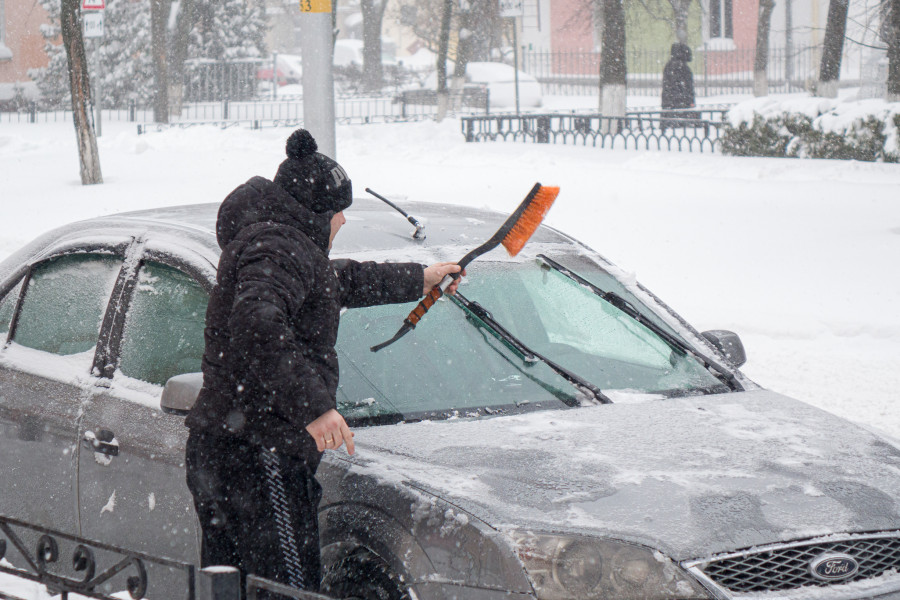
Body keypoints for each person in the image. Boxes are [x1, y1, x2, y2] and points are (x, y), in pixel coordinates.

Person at [184, 128, 462, 595]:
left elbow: (335, 282)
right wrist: (314, 408)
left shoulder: (272, 243)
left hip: (228, 445)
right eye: (338, 213)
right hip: (261, 451)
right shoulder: (279, 247)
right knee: (285, 590)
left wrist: (420, 278)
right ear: (316, 212)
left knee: (230, 587)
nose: (342, 223)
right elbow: (257, 323)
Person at [661, 42, 698, 130]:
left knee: (671, 125)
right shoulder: (684, 68)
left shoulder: (668, 66)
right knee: (682, 128)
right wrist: (690, 101)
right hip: (682, 104)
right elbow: (688, 87)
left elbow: (667, 86)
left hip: (669, 103)